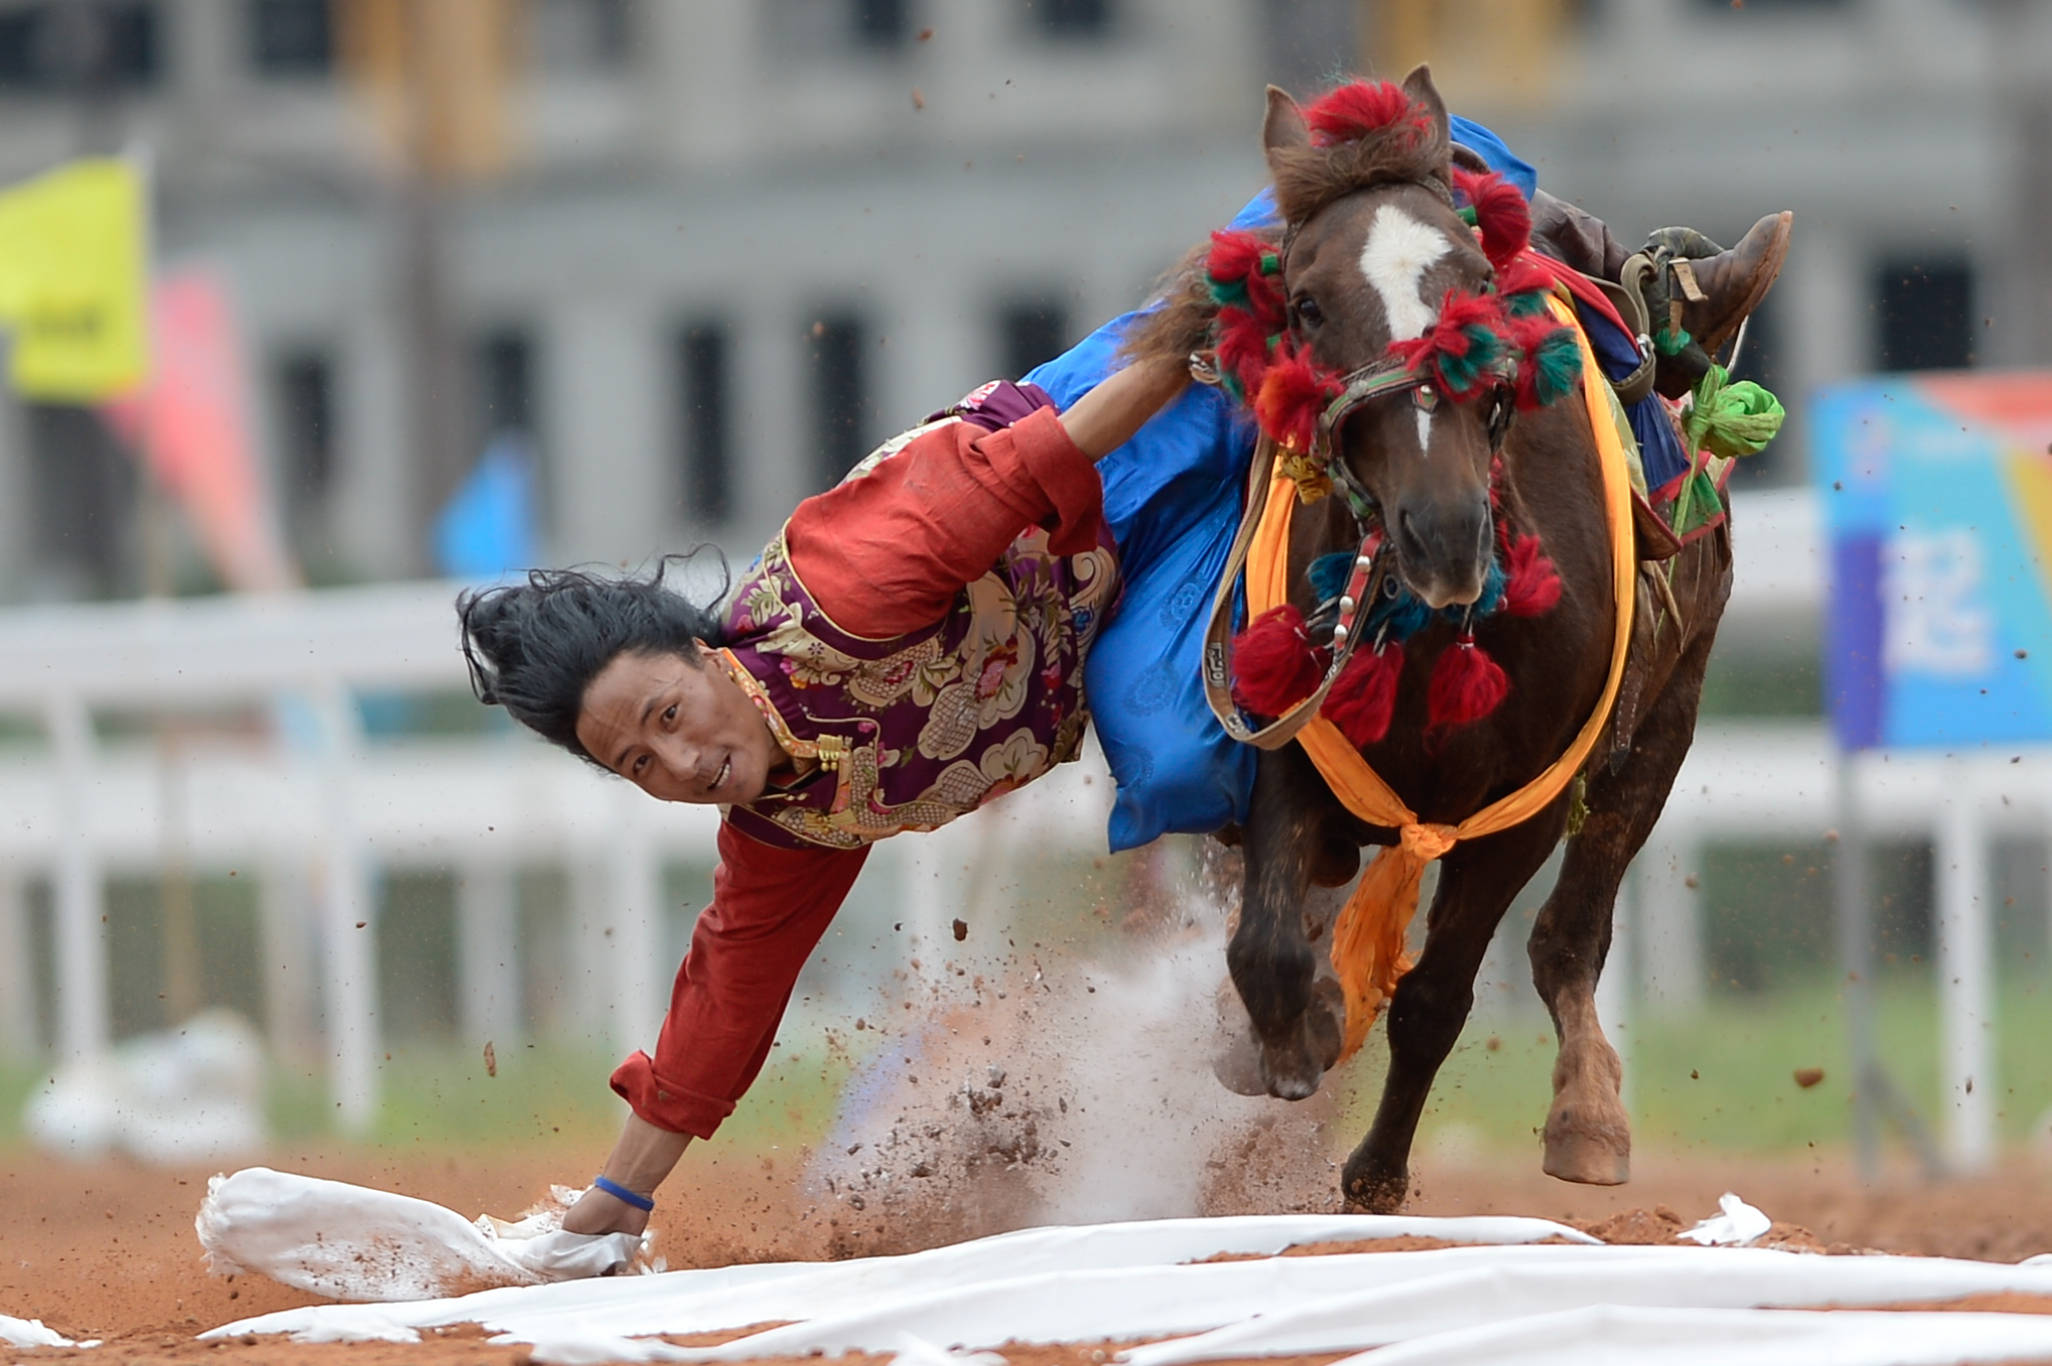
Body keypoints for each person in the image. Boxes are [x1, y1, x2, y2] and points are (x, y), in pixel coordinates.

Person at [456, 104, 1791, 1246]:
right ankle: (1288, 930)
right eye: (642, 763)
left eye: (668, 718)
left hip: (1121, 441)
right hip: (1120, 612)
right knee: (1170, 752)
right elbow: (720, 1013)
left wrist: (1181, 341)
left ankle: (1636, 289)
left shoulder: (839, 586)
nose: (682, 762)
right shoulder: (787, 817)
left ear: (705, 650)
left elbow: (1028, 465)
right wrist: (610, 1213)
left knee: (1325, 182)